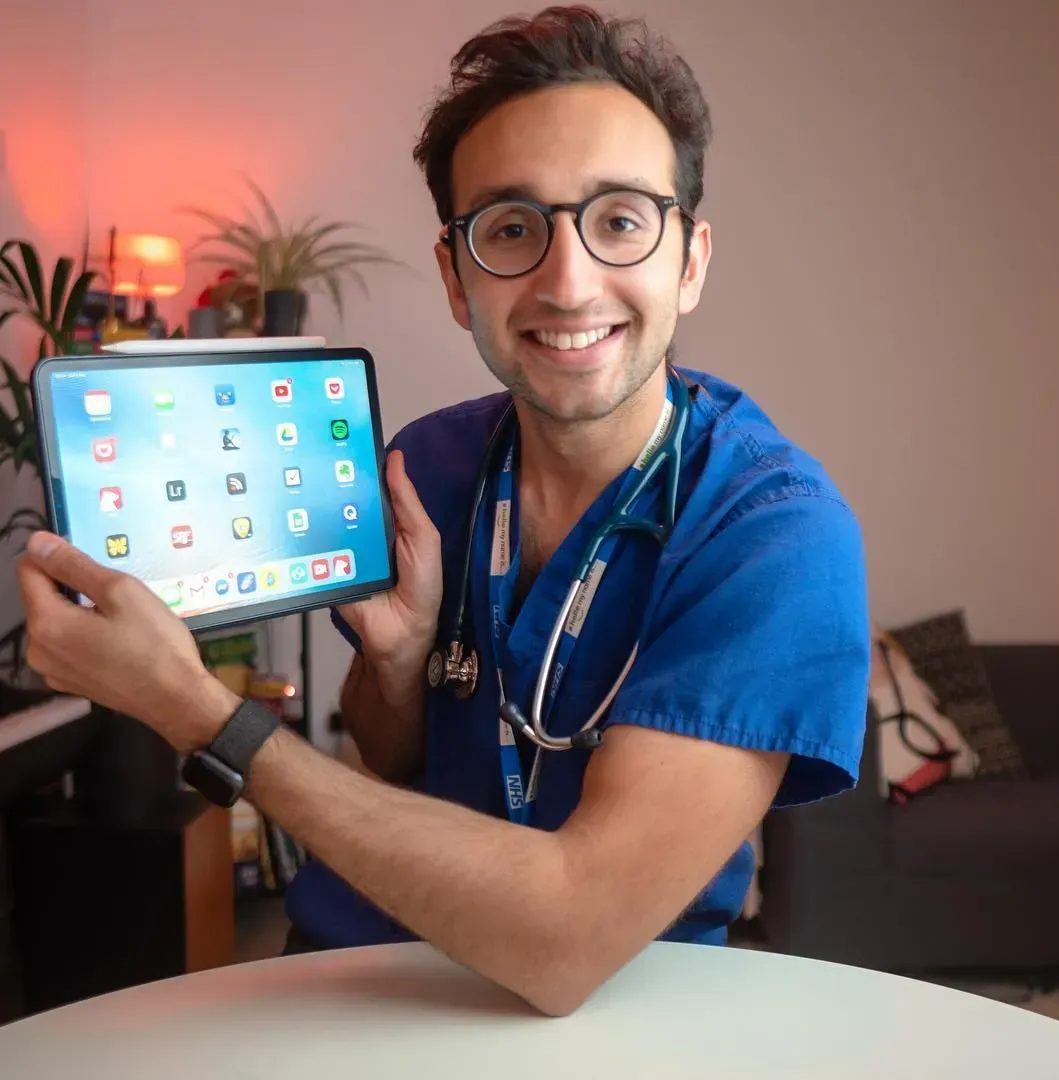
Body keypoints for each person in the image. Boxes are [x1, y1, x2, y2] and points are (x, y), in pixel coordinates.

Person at [17, 5, 870, 1016]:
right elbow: (393, 755)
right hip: (349, 977)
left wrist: (195, 709)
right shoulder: (429, 465)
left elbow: (567, 935)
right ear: (457, 279)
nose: (567, 282)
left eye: (620, 221)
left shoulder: (777, 537)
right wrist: (396, 664)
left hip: (614, 1019)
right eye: (511, 228)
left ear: (689, 261)